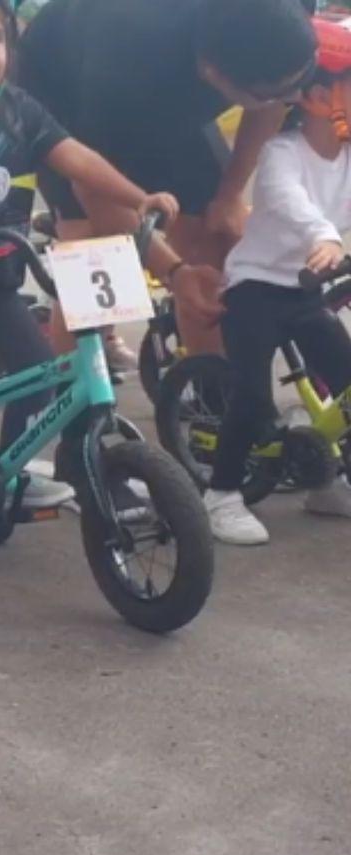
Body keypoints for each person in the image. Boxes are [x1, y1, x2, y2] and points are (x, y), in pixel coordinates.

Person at [0, 0, 178, 504]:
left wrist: (138, 197)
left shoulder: (20, 110)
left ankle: (6, 472)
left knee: (35, 375)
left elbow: (77, 158)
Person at [18, 0, 320, 361]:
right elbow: (93, 189)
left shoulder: (284, 12)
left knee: (213, 236)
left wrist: (229, 196)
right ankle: (76, 388)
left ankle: (212, 390)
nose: (297, 98)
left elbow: (275, 102)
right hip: (61, 80)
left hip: (164, 73)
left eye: (302, 79)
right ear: (213, 73)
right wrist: (175, 273)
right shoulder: (126, 66)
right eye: (276, 90)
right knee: (95, 247)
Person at [203, 17, 351, 545]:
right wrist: (325, 236)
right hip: (256, 287)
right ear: (313, 97)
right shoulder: (281, 154)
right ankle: (220, 493)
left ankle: (325, 480)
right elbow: (292, 204)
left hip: (307, 290)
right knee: (251, 394)